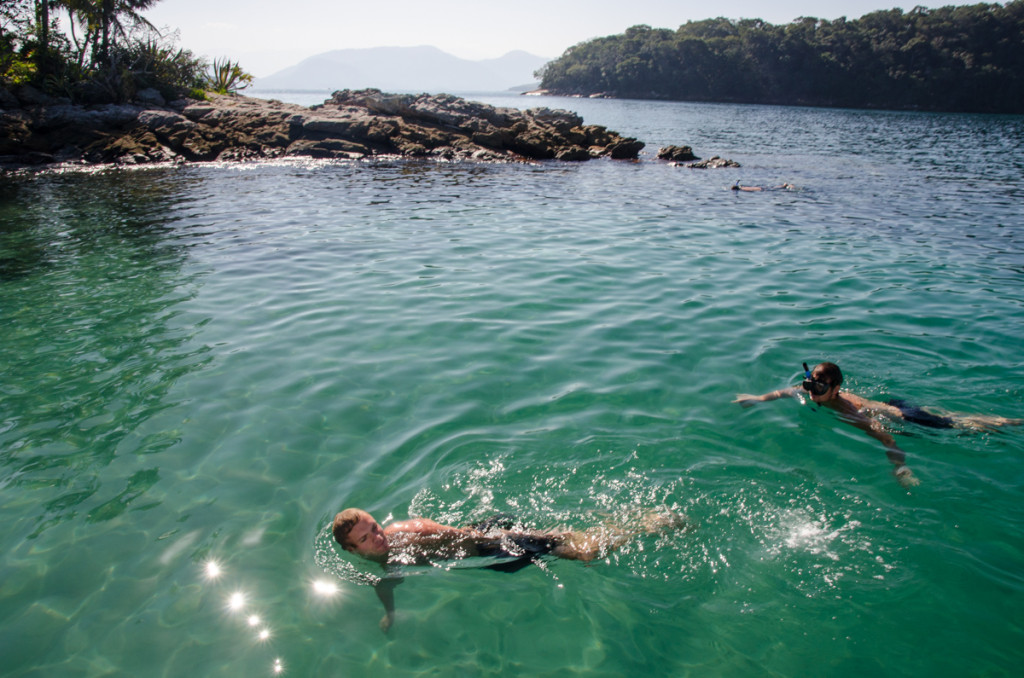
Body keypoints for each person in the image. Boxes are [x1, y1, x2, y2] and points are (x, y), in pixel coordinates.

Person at [332, 507, 685, 632]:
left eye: (375, 527)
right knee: (564, 545)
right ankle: (620, 525)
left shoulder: (404, 534)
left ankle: (648, 525)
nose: (377, 537)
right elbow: (385, 582)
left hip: (487, 544)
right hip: (480, 553)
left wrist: (493, 537)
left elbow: (427, 525)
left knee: (581, 552)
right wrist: (389, 615)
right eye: (366, 538)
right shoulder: (378, 562)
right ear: (352, 550)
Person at [733, 361, 1021, 488]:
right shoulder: (811, 390)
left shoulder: (847, 411)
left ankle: (1009, 422)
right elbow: (785, 392)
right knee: (951, 417)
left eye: (820, 389)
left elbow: (886, 438)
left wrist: (900, 467)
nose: (812, 393)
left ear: (835, 390)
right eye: (810, 385)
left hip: (902, 417)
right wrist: (757, 398)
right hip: (893, 405)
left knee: (955, 425)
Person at [731, 180, 796, 192]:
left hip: (760, 189)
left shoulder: (742, 189)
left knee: (773, 188)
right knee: (773, 188)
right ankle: (784, 186)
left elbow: (751, 190)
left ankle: (784, 186)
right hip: (760, 188)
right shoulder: (742, 188)